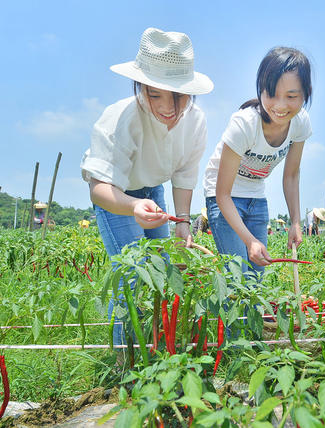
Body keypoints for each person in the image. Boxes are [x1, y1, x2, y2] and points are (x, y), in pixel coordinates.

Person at [80, 28, 213, 347]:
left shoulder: (195, 122)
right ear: (140, 87)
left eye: (178, 96)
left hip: (153, 191)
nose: (168, 107)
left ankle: (151, 355)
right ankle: (123, 367)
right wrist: (133, 206)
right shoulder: (118, 120)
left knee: (162, 272)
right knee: (132, 275)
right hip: (117, 197)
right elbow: (98, 189)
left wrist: (182, 222)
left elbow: (183, 174)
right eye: (155, 94)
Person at [203, 46, 313, 274]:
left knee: (255, 279)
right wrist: (249, 240)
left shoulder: (301, 123)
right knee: (237, 277)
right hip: (224, 197)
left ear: (305, 94)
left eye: (291, 96)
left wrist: (295, 222)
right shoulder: (244, 125)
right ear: (260, 90)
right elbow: (222, 194)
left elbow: (291, 175)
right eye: (271, 94)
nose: (280, 105)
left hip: (256, 196)